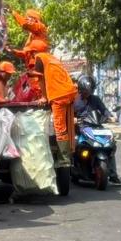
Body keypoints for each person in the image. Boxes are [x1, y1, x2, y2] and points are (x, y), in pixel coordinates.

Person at [26, 40, 77, 169]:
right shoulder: (52, 58)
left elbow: (40, 78)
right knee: (65, 125)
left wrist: (44, 97)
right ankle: (67, 154)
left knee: (60, 128)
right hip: (69, 91)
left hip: (58, 95)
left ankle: (64, 160)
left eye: (31, 52)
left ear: (33, 51)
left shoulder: (39, 57)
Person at [73, 74, 121, 186]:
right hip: (80, 128)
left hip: (95, 127)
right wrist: (73, 119)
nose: (88, 93)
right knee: (74, 145)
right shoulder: (74, 100)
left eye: (90, 91)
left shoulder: (96, 99)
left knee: (109, 146)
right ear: (80, 89)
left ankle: (113, 175)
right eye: (85, 91)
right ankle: (74, 168)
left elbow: (104, 110)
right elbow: (69, 113)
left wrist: (111, 117)